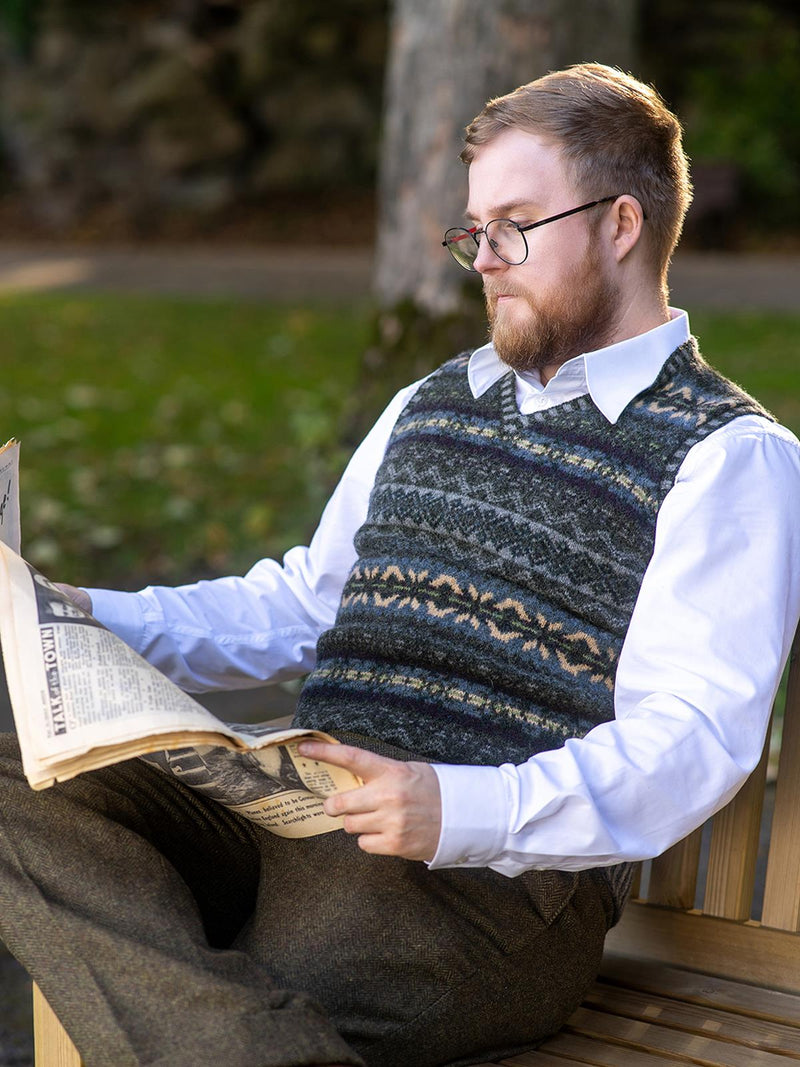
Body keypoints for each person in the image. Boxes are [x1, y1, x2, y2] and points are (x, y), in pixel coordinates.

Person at [2, 62, 800, 1067]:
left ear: (620, 225)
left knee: (244, 973)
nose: (483, 259)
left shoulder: (727, 456)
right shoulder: (433, 398)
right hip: (297, 812)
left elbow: (687, 740)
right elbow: (304, 604)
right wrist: (65, 614)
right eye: (472, 230)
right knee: (13, 794)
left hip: (488, 887)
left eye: (513, 224)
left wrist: (455, 807)